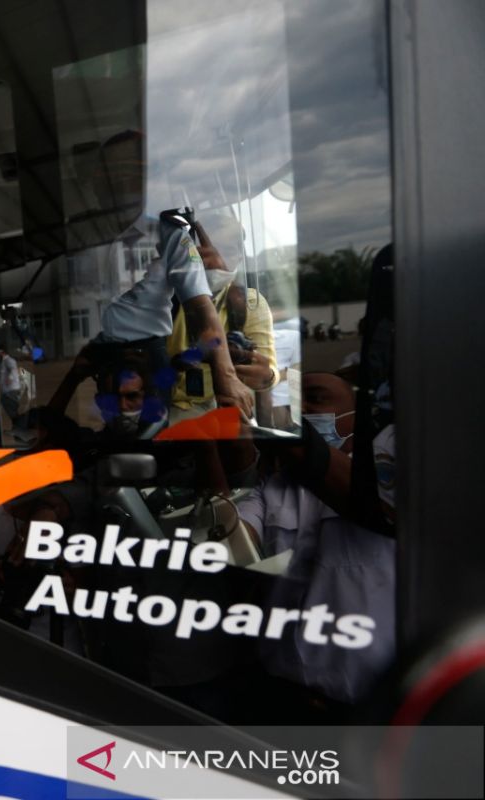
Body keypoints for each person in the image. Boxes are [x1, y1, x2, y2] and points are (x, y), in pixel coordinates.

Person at [237, 372, 395, 709]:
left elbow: (361, 496)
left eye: (316, 397)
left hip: (369, 708)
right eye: (294, 397)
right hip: (283, 695)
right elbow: (231, 550)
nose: (302, 406)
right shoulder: (273, 487)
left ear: (357, 416)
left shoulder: (388, 483)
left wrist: (270, 409)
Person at [83, 132, 254, 420]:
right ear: (99, 182)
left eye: (134, 169)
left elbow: (202, 308)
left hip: (150, 355)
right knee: (110, 426)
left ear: (148, 180)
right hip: (103, 351)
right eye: (113, 171)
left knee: (152, 426)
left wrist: (227, 376)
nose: (122, 179)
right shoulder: (82, 238)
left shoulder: (172, 236)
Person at [166, 215, 277, 423]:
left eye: (227, 250)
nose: (216, 260)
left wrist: (265, 376)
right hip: (162, 408)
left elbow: (270, 369)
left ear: (239, 256)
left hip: (216, 407)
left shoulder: (249, 303)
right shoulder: (163, 299)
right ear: (189, 253)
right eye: (208, 250)